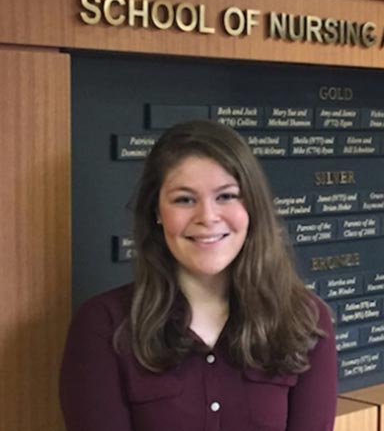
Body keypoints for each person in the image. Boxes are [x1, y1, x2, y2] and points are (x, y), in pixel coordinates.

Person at [60, 120, 338, 431]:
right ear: (157, 213)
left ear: (252, 207)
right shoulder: (104, 325)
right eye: (184, 199)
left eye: (226, 196)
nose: (207, 217)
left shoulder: (306, 321)